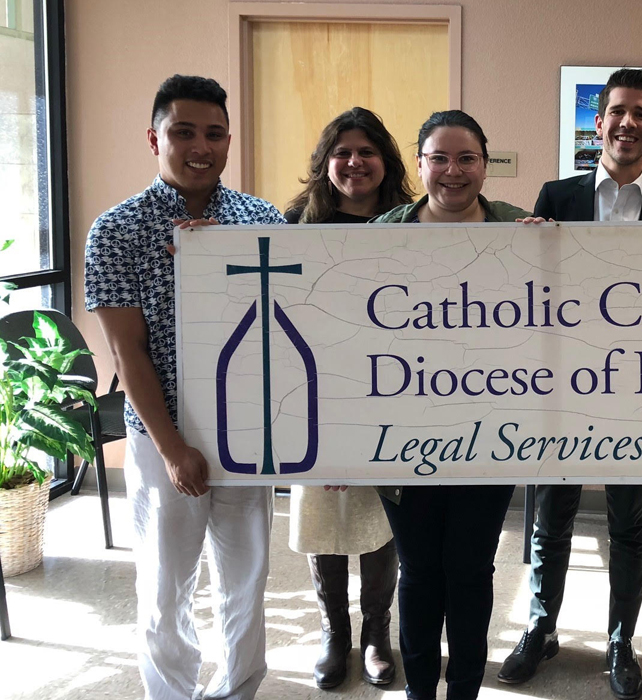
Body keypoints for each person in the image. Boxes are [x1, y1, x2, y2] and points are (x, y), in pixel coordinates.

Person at [84, 74, 284, 700]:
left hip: (245, 433)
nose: (201, 145)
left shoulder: (260, 219)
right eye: (184, 132)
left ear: (228, 143)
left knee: (246, 580)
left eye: (214, 134)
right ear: (155, 139)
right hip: (160, 434)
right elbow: (127, 349)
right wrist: (172, 449)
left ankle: (236, 689)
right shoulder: (117, 230)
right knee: (166, 584)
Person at [499, 67, 642, 700]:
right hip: (563, 386)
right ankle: (541, 627)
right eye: (616, 112)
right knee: (549, 518)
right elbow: (529, 290)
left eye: (641, 113)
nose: (627, 123)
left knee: (629, 523)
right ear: (598, 122)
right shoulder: (555, 196)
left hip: (637, 388)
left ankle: (620, 641)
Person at [372, 109, 526, 700]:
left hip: (493, 434)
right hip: (402, 433)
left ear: (485, 165)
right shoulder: (384, 231)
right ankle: (419, 694)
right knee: (419, 570)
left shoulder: (520, 225)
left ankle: (463, 689)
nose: (453, 171)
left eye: (466, 158)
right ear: (419, 165)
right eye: (439, 157)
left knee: (469, 568)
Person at [283, 106, 414, 689]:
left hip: (391, 395)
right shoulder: (292, 225)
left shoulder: (414, 223)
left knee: (378, 518)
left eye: (366, 151)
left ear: (385, 161)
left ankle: (376, 636)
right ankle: (335, 634)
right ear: (325, 163)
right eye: (342, 152)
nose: (354, 162)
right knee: (324, 519)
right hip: (315, 396)